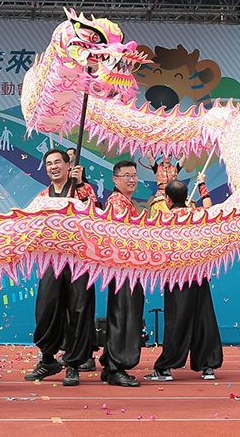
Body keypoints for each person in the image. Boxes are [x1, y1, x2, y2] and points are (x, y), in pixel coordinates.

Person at [24, 149, 97, 387]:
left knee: (78, 310)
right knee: (45, 309)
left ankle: (73, 365)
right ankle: (48, 360)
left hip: (79, 262)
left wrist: (81, 185)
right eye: (49, 164)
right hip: (51, 262)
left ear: (69, 166)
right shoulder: (41, 197)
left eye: (58, 162)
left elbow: (95, 215)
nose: (53, 167)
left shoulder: (82, 190)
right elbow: (27, 224)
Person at [143, 175, 223, 382]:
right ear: (186, 197)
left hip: (177, 278)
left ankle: (165, 368)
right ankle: (208, 367)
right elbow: (210, 207)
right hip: (199, 276)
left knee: (176, 322)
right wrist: (203, 183)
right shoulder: (197, 215)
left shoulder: (164, 220)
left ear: (168, 199)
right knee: (203, 319)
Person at [99, 160, 144, 387]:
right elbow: (124, 237)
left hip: (127, 268)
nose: (132, 179)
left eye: (134, 175)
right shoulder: (117, 202)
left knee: (122, 314)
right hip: (124, 268)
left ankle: (110, 364)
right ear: (115, 179)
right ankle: (116, 367)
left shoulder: (125, 202)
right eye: (127, 175)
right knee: (124, 316)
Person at [145, 152, 184, 217]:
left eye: (169, 155)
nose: (167, 157)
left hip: (173, 195)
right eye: (165, 155)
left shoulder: (175, 168)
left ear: (171, 157)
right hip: (160, 194)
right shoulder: (157, 167)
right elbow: (149, 155)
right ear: (162, 157)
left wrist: (185, 149)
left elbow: (184, 157)